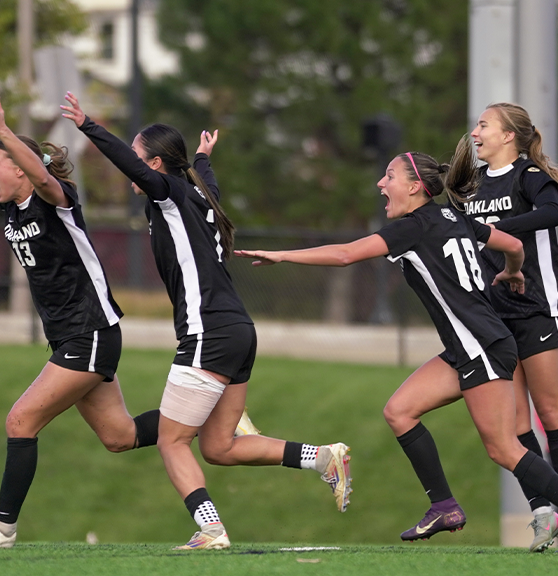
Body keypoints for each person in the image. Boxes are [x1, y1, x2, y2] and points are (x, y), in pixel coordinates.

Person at [235, 138, 558, 554]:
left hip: (481, 346)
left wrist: (283, 256)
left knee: (503, 448)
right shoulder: (453, 216)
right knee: (399, 411)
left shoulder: (414, 227)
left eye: (390, 176)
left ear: (415, 187)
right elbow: (514, 245)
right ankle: (444, 505)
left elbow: (345, 255)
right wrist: (512, 273)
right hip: (470, 344)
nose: (381, 183)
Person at [62, 92, 352, 550]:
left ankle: (211, 529)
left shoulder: (172, 193)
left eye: (141, 158)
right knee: (219, 447)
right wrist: (203, 157)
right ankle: (323, 459)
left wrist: (89, 127)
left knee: (173, 442)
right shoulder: (198, 192)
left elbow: (133, 168)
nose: (134, 170)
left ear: (156, 164)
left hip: (208, 333)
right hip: (238, 331)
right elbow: (207, 183)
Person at [0, 92, 161, 548]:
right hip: (76, 337)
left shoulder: (57, 199)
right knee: (120, 436)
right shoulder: (10, 203)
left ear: (22, 168)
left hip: (89, 331)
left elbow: (42, 178)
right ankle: (214, 421)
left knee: (20, 420)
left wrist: (3, 133)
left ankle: (3, 528)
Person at [469, 102, 558, 551]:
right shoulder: (474, 187)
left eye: (483, 125)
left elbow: (552, 213)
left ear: (508, 136)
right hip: (492, 312)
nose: (475, 132)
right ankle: (546, 514)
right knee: (516, 424)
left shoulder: (529, 176)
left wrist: (497, 228)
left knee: (551, 413)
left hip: (532, 306)